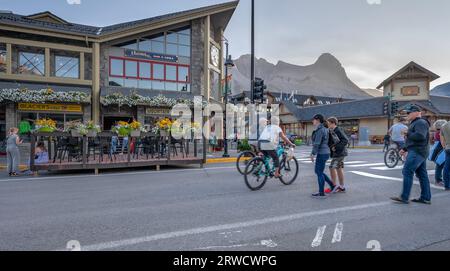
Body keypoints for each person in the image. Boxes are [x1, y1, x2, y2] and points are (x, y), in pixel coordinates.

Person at [391, 105, 432, 204]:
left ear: (417, 113)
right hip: (419, 151)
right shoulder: (416, 122)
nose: (407, 114)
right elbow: (414, 140)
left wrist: (407, 133)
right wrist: (405, 148)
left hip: (417, 151)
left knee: (407, 171)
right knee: (422, 174)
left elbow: (420, 136)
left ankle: (404, 197)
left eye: (409, 113)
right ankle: (425, 197)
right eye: (407, 113)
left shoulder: (420, 122)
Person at [310, 114, 335, 198]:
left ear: (317, 120)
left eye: (313, 119)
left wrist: (313, 154)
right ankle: (332, 186)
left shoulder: (320, 130)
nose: (312, 121)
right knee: (319, 172)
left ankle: (321, 192)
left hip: (322, 153)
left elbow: (317, 143)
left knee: (319, 172)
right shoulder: (325, 129)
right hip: (326, 152)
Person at [327, 117, 349, 193]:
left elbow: (345, 140)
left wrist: (335, 147)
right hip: (340, 153)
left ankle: (334, 186)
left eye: (329, 123)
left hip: (340, 153)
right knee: (339, 169)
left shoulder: (338, 130)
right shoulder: (332, 130)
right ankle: (341, 187)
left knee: (331, 167)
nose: (328, 125)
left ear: (333, 123)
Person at [431, 120, 447, 186]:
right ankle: (438, 180)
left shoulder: (437, 132)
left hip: (438, 150)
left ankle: (439, 180)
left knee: (440, 165)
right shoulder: (441, 132)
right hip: (441, 150)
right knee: (440, 165)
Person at [440, 121, 450, 191]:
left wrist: (444, 147)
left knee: (446, 167)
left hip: (447, 147)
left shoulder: (444, 125)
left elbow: (442, 139)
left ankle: (447, 185)